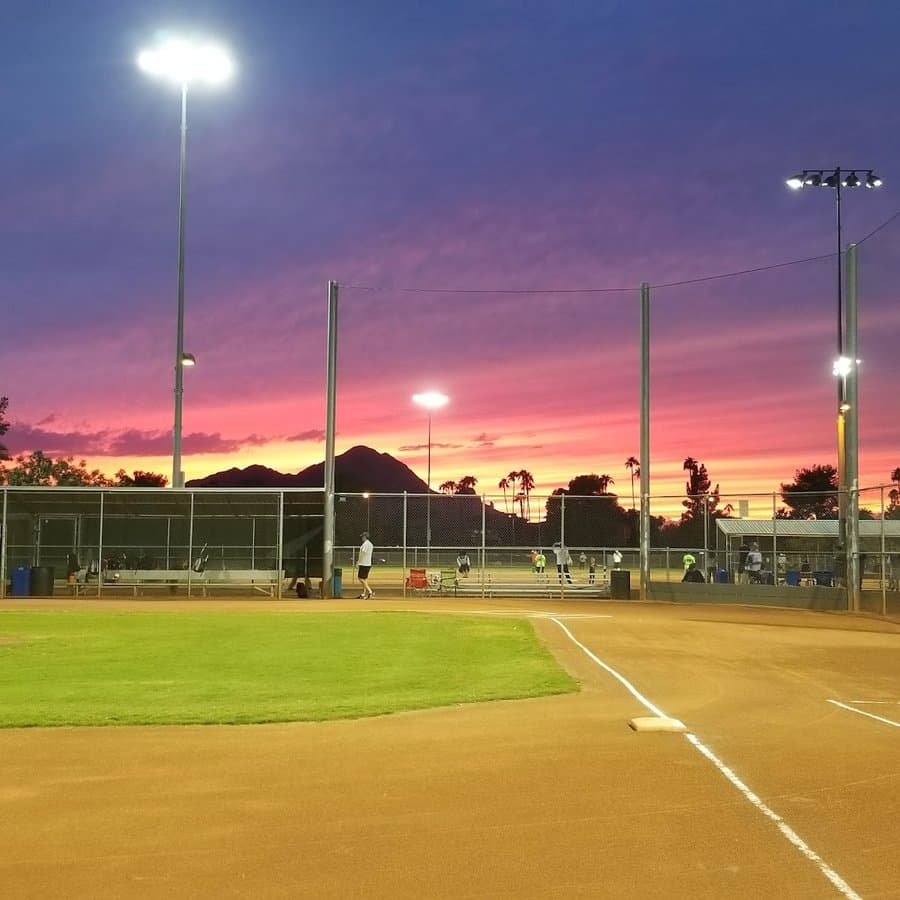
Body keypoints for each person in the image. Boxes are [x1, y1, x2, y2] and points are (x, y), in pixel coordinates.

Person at [357, 531, 374, 598]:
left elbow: (363, 554)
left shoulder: (365, 544)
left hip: (363, 563)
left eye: (363, 536)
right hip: (368, 563)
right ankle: (364, 593)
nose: (362, 538)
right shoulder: (370, 544)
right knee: (365, 579)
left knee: (360, 578)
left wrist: (358, 562)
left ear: (365, 537)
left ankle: (370, 591)